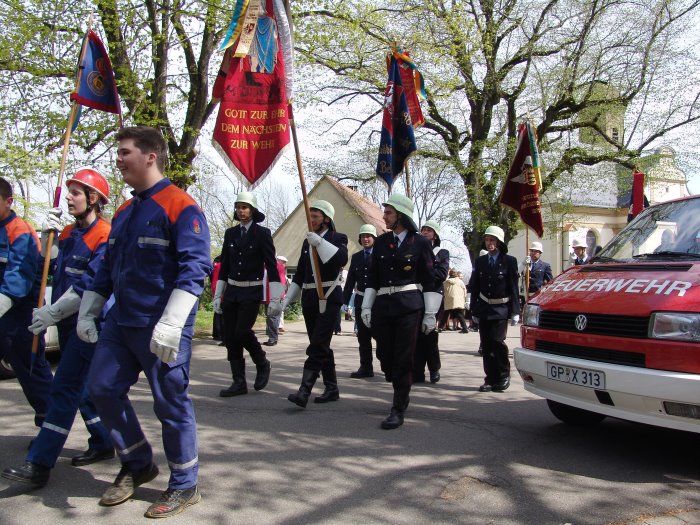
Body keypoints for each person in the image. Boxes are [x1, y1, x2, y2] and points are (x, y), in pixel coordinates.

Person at [77, 126, 212, 518]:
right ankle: (138, 463)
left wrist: (172, 323)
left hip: (162, 324)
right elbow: (106, 268)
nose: (117, 159)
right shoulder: (123, 211)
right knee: (101, 387)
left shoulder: (181, 205)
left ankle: (185, 484)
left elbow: (195, 268)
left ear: (150, 156)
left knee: (170, 402)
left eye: (124, 152)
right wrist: (88, 309)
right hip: (121, 322)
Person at [3, 168, 114, 486]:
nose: (69, 197)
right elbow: (47, 269)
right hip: (66, 325)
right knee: (83, 391)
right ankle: (104, 441)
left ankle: (40, 461)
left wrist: (51, 312)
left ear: (93, 199)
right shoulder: (66, 233)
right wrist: (45, 240)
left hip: (90, 325)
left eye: (76, 193)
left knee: (66, 390)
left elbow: (90, 285)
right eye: (69, 192)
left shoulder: (105, 235)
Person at [360, 194, 437, 429]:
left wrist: (430, 313)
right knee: (384, 355)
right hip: (383, 305)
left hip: (409, 306)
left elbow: (430, 280)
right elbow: (372, 277)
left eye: (388, 213)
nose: (384, 216)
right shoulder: (381, 242)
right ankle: (399, 383)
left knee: (403, 357)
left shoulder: (420, 243)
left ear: (401, 215)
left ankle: (398, 406)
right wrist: (366, 305)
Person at [212, 192, 279, 397]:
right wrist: (218, 293)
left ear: (253, 210)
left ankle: (262, 361)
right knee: (231, 337)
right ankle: (239, 382)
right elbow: (224, 266)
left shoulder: (262, 234)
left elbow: (271, 265)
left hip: (251, 290)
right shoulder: (230, 234)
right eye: (238, 207)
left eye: (245, 207)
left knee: (242, 331)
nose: (241, 211)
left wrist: (275, 297)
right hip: (232, 290)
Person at [282, 200, 348, 407]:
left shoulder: (338, 238)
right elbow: (300, 275)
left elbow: (341, 259)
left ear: (326, 219)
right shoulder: (306, 242)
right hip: (310, 297)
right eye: (310, 217)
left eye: (315, 217)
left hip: (329, 296)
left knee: (318, 344)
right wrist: (286, 301)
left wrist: (319, 243)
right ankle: (331, 387)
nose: (311, 220)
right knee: (321, 344)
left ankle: (304, 390)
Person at [0, 177, 53, 430]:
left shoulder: (20, 231)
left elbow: (18, 282)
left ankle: (51, 423)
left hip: (21, 316)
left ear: (9, 201)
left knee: (31, 371)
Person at [469, 225, 520, 392]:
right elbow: (475, 287)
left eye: (492, 240)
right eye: (487, 239)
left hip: (501, 308)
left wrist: (515, 311)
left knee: (497, 342)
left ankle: (503, 375)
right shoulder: (481, 261)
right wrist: (474, 310)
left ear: (499, 242)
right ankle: (490, 379)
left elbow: (513, 287)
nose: (489, 243)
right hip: (484, 307)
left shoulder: (509, 261)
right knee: (486, 344)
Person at [413, 220, 449, 384]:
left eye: (429, 230)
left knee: (430, 335)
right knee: (416, 335)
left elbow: (441, 274)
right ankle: (417, 370)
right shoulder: (415, 250)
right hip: (416, 294)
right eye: (423, 230)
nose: (425, 232)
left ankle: (434, 369)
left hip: (433, 295)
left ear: (435, 234)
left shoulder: (441, 252)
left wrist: (425, 274)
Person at [342, 224, 377, 378]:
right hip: (360, 299)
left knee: (382, 335)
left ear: (374, 238)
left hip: (378, 301)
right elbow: (350, 281)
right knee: (363, 336)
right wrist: (344, 301)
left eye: (369, 236)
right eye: (363, 236)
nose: (366, 239)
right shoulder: (356, 257)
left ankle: (388, 366)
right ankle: (366, 367)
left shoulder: (381, 255)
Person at [263, 255, 288, 346]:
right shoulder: (264, 266)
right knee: (270, 318)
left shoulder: (278, 266)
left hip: (274, 297)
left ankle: (273, 339)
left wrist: (277, 297)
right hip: (266, 297)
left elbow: (281, 282)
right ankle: (271, 336)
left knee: (273, 318)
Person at [442, 269, 469, 333]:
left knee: (445, 315)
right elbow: (465, 291)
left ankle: (441, 327)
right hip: (459, 300)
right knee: (460, 315)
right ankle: (464, 328)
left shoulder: (446, 282)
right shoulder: (460, 282)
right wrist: (464, 298)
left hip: (449, 299)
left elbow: (443, 291)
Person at [211, 255, 223, 343]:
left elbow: (211, 277)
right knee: (222, 312)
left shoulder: (215, 265)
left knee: (217, 311)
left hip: (214, 288)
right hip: (222, 289)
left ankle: (216, 333)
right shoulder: (223, 265)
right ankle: (221, 334)